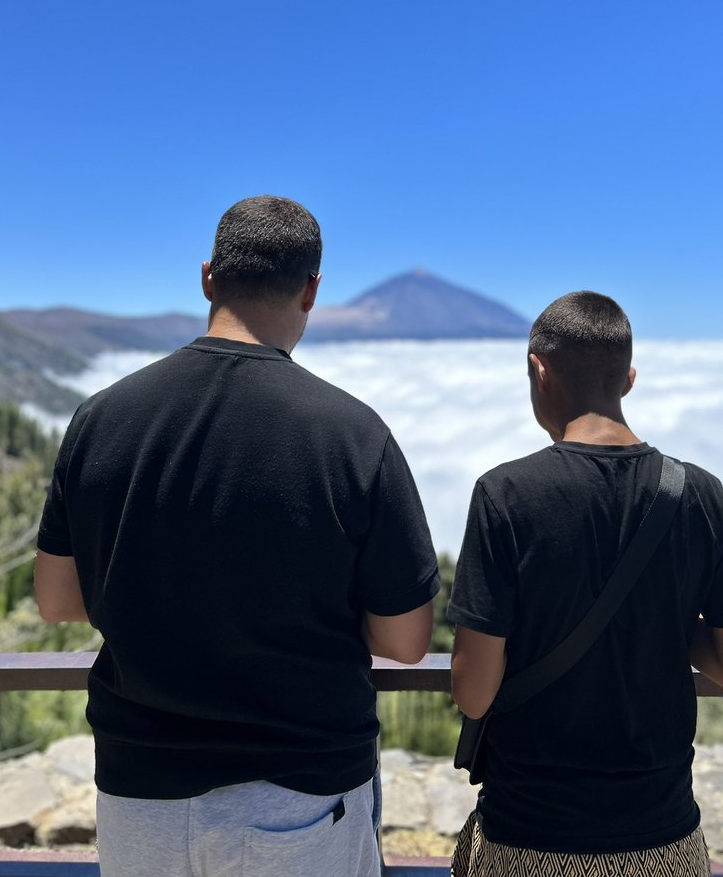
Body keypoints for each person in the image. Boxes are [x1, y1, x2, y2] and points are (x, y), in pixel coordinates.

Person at [34, 195, 440, 877]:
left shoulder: (100, 419)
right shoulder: (352, 435)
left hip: (139, 795)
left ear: (207, 278)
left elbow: (55, 599)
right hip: (303, 799)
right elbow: (405, 643)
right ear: (312, 291)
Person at [449, 291, 723, 877]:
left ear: (537, 371)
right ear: (629, 379)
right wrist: (672, 625)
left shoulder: (505, 495)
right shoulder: (701, 494)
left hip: (529, 837)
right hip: (661, 838)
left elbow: (473, 694)